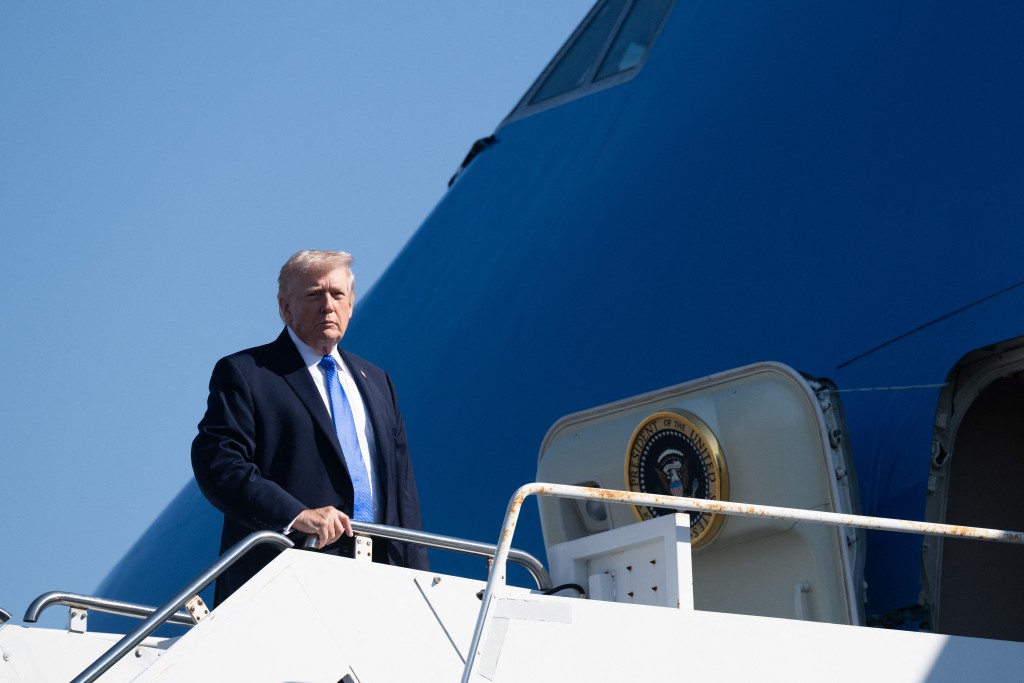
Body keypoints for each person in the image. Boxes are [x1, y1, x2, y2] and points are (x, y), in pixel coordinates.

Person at [192, 249, 428, 605]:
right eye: (314, 295)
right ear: (285, 308)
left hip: (380, 578)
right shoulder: (248, 374)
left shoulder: (378, 382)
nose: (328, 306)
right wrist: (296, 515)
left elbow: (403, 493)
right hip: (286, 578)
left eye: (337, 295)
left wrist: (419, 583)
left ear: (350, 305)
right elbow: (219, 464)